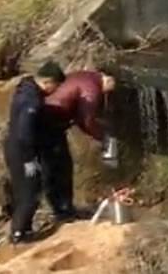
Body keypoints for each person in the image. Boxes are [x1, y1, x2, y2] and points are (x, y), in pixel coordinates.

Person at [40, 70, 117, 223]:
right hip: (49, 126)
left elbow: (80, 117)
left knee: (54, 168)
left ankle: (61, 210)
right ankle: (64, 211)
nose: (104, 96)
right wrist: (102, 136)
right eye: (106, 92)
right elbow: (87, 119)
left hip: (46, 119)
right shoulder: (92, 89)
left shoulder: (86, 75)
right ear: (106, 82)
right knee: (60, 168)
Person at [3, 60, 66, 245]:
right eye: (55, 86)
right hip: (21, 151)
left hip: (17, 147)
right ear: (48, 81)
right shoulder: (31, 101)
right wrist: (29, 159)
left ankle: (24, 229)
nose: (55, 91)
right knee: (29, 193)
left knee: (28, 190)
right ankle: (18, 235)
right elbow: (25, 133)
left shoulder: (27, 88)